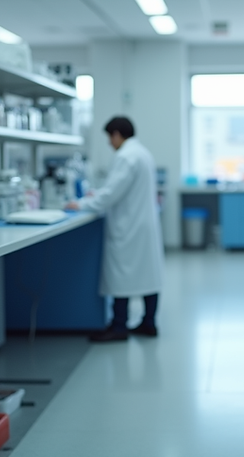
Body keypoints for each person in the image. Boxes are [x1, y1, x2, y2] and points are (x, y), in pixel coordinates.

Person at [67, 117, 164, 342]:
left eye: (110, 137)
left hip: (129, 225)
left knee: (122, 275)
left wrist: (81, 204)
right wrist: (99, 194)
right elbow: (118, 189)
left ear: (118, 134)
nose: (110, 143)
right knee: (149, 274)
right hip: (143, 223)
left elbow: (112, 193)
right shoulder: (142, 153)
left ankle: (119, 327)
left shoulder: (125, 156)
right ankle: (149, 323)